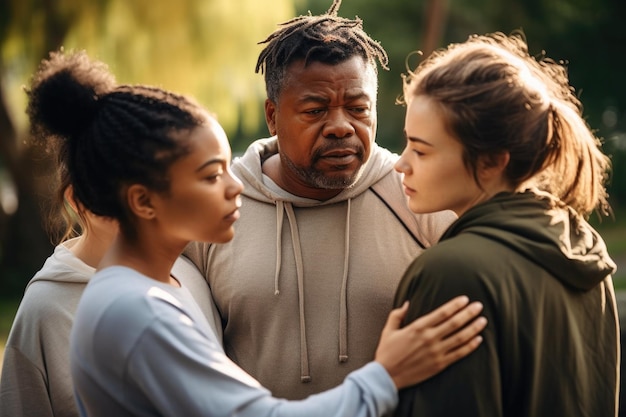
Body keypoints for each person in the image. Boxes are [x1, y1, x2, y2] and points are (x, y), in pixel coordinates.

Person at [26, 49, 486, 416]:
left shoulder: (156, 290)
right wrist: (386, 376)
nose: (236, 186)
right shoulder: (135, 310)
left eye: (227, 169)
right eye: (210, 176)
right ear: (143, 201)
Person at [183, 0, 457, 400]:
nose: (341, 127)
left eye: (358, 108)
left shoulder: (420, 198)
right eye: (315, 110)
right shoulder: (219, 208)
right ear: (273, 116)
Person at [391, 31, 619, 417]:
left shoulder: (451, 272)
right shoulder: (584, 249)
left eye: (422, 150)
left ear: (493, 160)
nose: (401, 164)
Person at [0, 65, 222, 417]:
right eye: (128, 194)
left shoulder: (186, 272)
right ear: (78, 200)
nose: (142, 206)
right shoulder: (45, 308)